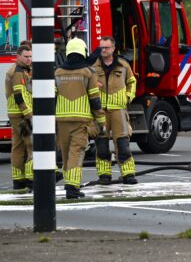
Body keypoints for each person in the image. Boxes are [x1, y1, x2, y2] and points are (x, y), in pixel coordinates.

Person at [55, 38, 106, 199]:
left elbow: (52, 98)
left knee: (65, 153)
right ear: (83, 52)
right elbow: (94, 99)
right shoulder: (88, 72)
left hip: (61, 120)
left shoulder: (57, 72)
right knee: (76, 152)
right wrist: (101, 121)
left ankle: (69, 183)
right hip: (81, 120)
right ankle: (72, 187)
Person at [93, 36, 138, 185]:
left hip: (118, 110)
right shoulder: (93, 66)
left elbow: (132, 82)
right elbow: (86, 82)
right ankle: (104, 175)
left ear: (113, 49)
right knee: (102, 144)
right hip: (100, 111)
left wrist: (127, 97)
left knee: (122, 143)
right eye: (101, 47)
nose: (103, 50)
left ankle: (128, 174)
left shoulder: (123, 65)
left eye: (106, 47)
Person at [5, 44, 33, 190]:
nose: (29, 59)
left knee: (18, 146)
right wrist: (29, 115)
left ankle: (18, 179)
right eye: (26, 57)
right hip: (21, 115)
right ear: (18, 56)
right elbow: (19, 96)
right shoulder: (17, 72)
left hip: (15, 114)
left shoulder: (23, 70)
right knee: (32, 144)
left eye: (30, 56)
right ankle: (31, 178)